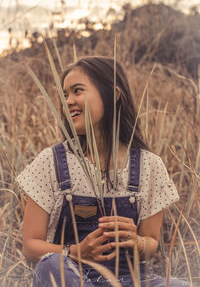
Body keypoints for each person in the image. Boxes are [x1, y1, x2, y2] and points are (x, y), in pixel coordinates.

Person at [16, 56, 191, 287]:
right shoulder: (50, 162)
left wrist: (136, 241)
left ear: (114, 94)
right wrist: (76, 251)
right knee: (51, 266)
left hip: (131, 281)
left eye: (77, 91)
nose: (68, 101)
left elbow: (151, 244)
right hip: (72, 278)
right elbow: (30, 246)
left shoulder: (150, 165)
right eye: (65, 95)